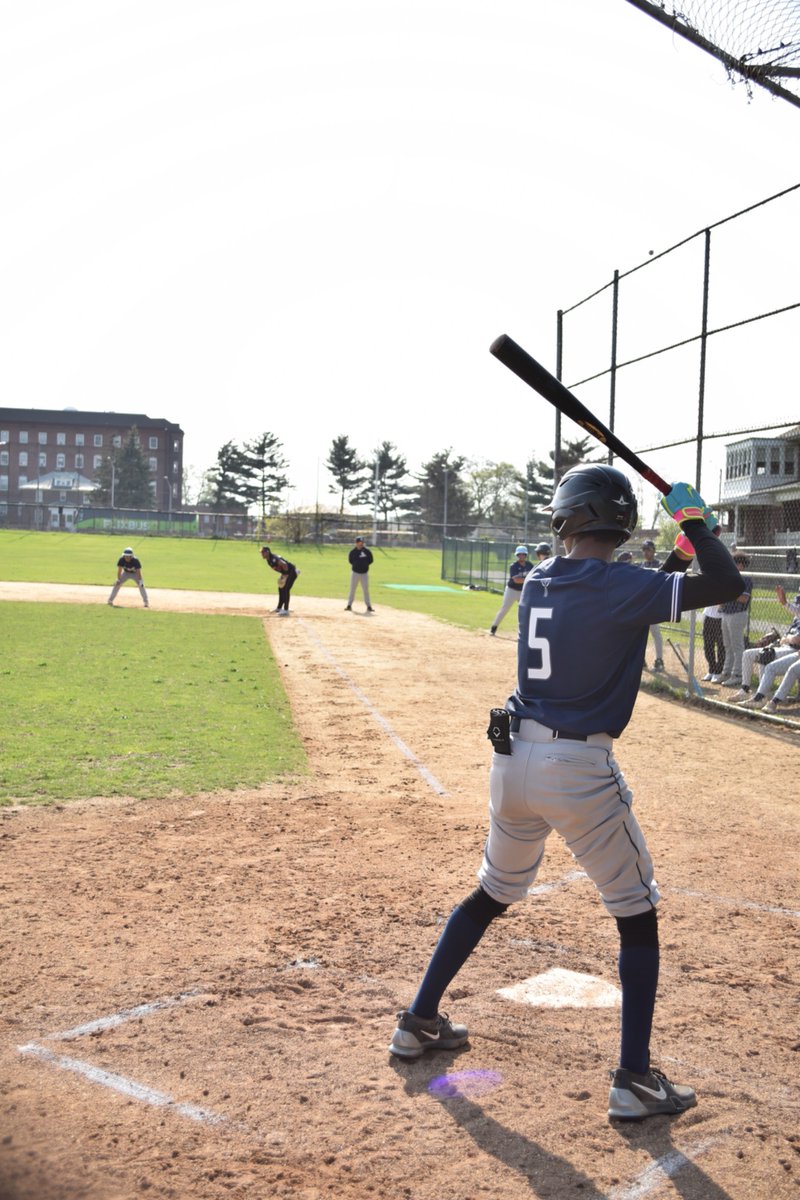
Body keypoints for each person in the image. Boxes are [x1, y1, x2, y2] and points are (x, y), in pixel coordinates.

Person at [388, 466, 743, 1123]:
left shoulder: (543, 579)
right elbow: (725, 585)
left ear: (568, 517)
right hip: (575, 765)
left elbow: (628, 598)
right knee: (636, 911)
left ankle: (418, 1020)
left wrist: (682, 552)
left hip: (511, 757)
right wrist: (694, 523)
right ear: (618, 521)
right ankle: (634, 1080)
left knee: (493, 891)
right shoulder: (617, 585)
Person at [732, 586, 800, 708]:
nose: (797, 605)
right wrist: (782, 639)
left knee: (765, 656)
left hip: (793, 649)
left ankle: (760, 697)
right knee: (749, 654)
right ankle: (748, 691)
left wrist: (785, 639)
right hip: (786, 646)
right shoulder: (796, 619)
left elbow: (796, 640)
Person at [716, 552, 753, 685]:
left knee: (737, 646)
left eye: (736, 563)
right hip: (726, 613)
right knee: (727, 645)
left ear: (742, 565)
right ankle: (726, 672)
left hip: (737, 614)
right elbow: (722, 596)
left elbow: (743, 598)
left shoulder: (745, 579)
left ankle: (737, 674)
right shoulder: (730, 577)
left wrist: (728, 594)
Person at [489, 546, 534, 635]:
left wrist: (526, 580)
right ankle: (494, 627)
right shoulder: (513, 566)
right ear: (516, 555)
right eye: (519, 554)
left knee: (524, 610)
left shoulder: (530, 565)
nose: (521, 556)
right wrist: (527, 579)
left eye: (523, 554)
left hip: (523, 592)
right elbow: (516, 580)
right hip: (511, 590)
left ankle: (524, 631)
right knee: (505, 608)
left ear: (526, 555)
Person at [640, 539, 664, 672]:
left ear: (653, 550)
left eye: (648, 549)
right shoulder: (642, 564)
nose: (646, 552)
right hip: (642, 604)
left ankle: (659, 660)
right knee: (640, 634)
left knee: (656, 633)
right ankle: (641, 659)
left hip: (653, 604)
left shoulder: (658, 564)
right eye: (644, 550)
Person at [260, 545, 298, 615]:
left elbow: (284, 565)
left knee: (286, 589)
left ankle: (286, 610)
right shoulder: (269, 560)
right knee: (281, 588)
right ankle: (279, 608)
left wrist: (285, 575)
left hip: (291, 572)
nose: (261, 554)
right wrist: (283, 574)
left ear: (267, 552)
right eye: (261, 552)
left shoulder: (273, 559)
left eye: (263, 552)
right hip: (286, 572)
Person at [345, 536, 374, 613]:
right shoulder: (352, 552)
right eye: (359, 543)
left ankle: (368, 606)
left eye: (362, 543)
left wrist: (364, 565)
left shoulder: (367, 551)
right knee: (352, 589)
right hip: (355, 573)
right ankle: (349, 605)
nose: (361, 544)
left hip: (364, 573)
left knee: (366, 590)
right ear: (356, 543)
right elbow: (350, 561)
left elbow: (371, 560)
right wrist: (357, 566)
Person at [701, 605, 724, 681]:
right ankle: (711, 669)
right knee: (707, 645)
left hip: (721, 618)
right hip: (708, 616)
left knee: (721, 646)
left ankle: (718, 672)